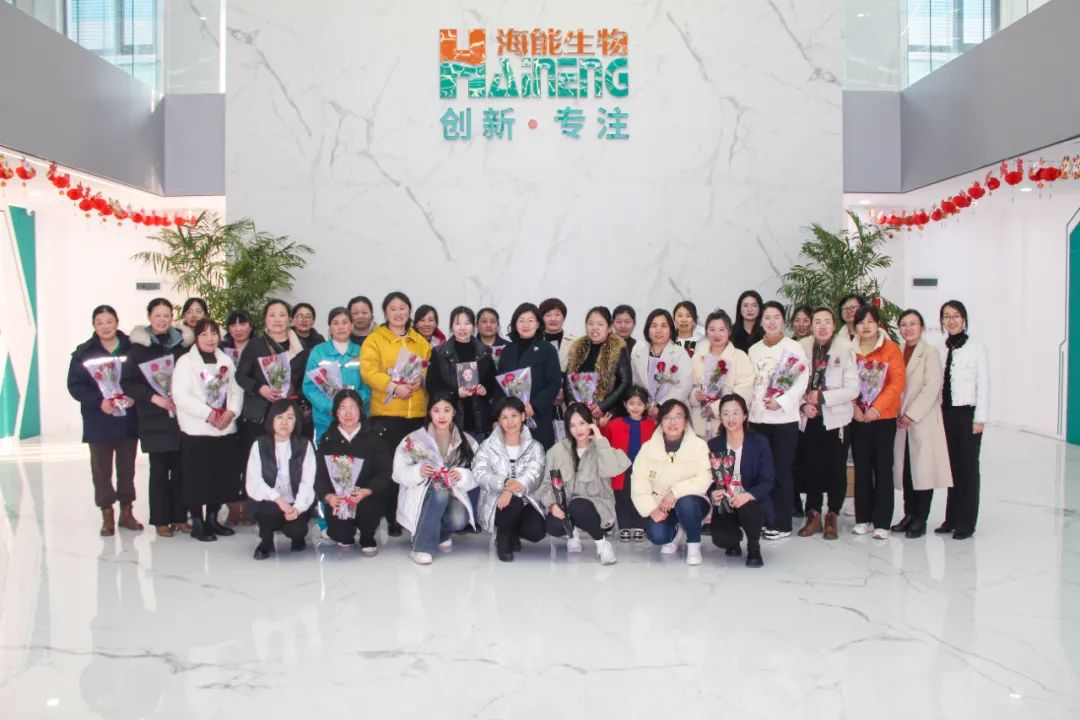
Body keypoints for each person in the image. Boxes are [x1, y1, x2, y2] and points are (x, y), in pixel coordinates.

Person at [360, 291, 433, 536]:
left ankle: (411, 516)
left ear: (409, 311)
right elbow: (369, 372)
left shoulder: (420, 342)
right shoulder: (374, 340)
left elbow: (428, 370)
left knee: (415, 469)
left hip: (416, 415)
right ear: (385, 313)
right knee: (391, 469)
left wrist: (420, 380)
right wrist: (393, 387)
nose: (398, 313)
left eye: (403, 308)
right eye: (393, 308)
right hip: (387, 414)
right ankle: (392, 518)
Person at [67, 304, 141, 536]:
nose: (105, 326)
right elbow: (75, 385)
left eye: (109, 321)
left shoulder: (132, 348)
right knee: (101, 470)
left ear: (117, 322)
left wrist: (133, 396)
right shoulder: (84, 352)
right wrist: (99, 401)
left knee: (127, 469)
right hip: (99, 420)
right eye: (100, 322)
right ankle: (107, 515)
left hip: (127, 418)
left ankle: (127, 513)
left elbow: (143, 378)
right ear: (94, 326)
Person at [124, 297, 195, 537]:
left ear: (172, 317)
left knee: (182, 469)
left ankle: (180, 517)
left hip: (182, 417)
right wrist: (154, 398)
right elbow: (129, 383)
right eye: (157, 316)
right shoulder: (139, 348)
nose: (162, 320)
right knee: (159, 471)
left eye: (166, 315)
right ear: (149, 317)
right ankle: (161, 519)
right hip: (154, 417)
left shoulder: (183, 345)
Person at [172, 319, 244, 542]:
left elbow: (236, 390)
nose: (210, 338)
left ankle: (213, 518)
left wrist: (231, 412)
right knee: (197, 478)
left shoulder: (226, 360)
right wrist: (208, 413)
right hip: (197, 429)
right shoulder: (186, 362)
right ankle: (198, 522)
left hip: (223, 428)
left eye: (213, 334)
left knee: (219, 476)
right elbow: (180, 395)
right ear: (196, 337)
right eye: (204, 334)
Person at [392, 392, 480, 565]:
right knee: (440, 492)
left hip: (452, 493)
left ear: (454, 412)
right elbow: (398, 472)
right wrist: (418, 471)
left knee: (459, 518)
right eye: (436, 410)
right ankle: (421, 547)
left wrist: (462, 475)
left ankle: (439, 534)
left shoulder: (466, 440)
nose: (442, 416)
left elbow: (479, 472)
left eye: (447, 410)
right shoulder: (414, 439)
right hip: (421, 494)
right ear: (429, 413)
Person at [747, 301, 809, 540]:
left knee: (782, 472)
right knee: (762, 473)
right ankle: (764, 518)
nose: (771, 322)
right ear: (761, 322)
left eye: (776, 317)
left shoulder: (794, 347)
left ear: (784, 321)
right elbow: (750, 383)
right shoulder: (754, 350)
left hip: (784, 420)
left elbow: (801, 380)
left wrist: (781, 402)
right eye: (767, 318)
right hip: (758, 419)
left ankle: (782, 523)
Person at [537, 403, 629, 565]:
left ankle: (602, 544)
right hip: (567, 508)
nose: (578, 429)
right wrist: (551, 505)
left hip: (599, 508)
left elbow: (613, 470)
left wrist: (600, 439)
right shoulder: (557, 451)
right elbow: (545, 485)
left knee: (578, 505)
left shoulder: (601, 447)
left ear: (590, 424)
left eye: (582, 423)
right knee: (553, 524)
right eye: (572, 425)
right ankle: (573, 534)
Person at [795, 307, 858, 540]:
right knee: (811, 467)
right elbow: (791, 383)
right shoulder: (801, 347)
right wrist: (803, 404)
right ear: (811, 325)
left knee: (835, 470)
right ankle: (813, 515)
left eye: (827, 322)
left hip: (836, 420)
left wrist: (823, 397)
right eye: (817, 322)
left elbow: (853, 389)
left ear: (834, 325)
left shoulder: (846, 348)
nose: (822, 326)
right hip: (810, 418)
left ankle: (832, 514)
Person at [891, 310, 952, 539]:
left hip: (922, 420)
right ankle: (908, 514)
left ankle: (920, 518)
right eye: (904, 324)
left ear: (922, 327)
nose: (908, 329)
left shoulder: (929, 352)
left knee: (923, 471)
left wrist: (910, 415)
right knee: (907, 470)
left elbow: (931, 387)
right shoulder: (897, 351)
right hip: (901, 421)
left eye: (913, 324)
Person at [631, 399, 712, 565]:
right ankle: (676, 531)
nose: (672, 422)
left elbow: (705, 478)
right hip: (662, 505)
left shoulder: (699, 445)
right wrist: (651, 509)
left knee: (686, 503)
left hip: (693, 502)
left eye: (678, 417)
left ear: (686, 421)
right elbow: (638, 482)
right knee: (658, 535)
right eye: (667, 417)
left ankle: (694, 544)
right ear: (660, 422)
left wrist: (675, 492)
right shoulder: (648, 448)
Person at [849, 305, 906, 539]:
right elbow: (842, 380)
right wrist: (853, 406)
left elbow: (896, 383)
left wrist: (877, 407)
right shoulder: (849, 350)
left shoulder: (891, 349)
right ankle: (863, 518)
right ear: (855, 326)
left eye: (870, 321)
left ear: (878, 324)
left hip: (883, 418)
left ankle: (882, 522)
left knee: (883, 468)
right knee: (861, 467)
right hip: (857, 417)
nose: (866, 326)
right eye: (861, 322)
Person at [314, 389, 392, 555]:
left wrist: (367, 491)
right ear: (336, 412)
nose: (348, 413)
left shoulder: (374, 438)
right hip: (339, 500)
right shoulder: (327, 440)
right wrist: (329, 497)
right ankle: (346, 535)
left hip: (366, 497)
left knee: (369, 509)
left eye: (353, 408)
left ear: (360, 410)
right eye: (343, 408)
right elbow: (319, 476)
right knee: (340, 534)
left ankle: (367, 538)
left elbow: (384, 472)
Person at [936, 300, 989, 540]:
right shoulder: (940, 347)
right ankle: (951, 519)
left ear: (964, 319)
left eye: (956, 316)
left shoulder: (977, 347)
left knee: (967, 469)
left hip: (967, 415)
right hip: (945, 414)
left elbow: (984, 385)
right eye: (947, 316)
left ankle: (966, 523)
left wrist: (980, 419)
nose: (951, 320)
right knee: (951, 468)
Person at [473, 397, 547, 561]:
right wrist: (504, 483)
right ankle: (503, 537)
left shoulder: (535, 447)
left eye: (514, 416)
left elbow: (534, 474)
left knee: (536, 532)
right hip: (496, 501)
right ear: (499, 421)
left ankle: (512, 531)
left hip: (525, 499)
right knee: (512, 504)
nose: (510, 422)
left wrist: (512, 489)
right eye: (504, 417)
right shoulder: (487, 446)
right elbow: (480, 473)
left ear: (523, 416)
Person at [707, 394, 774, 567]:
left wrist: (747, 495)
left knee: (750, 508)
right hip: (726, 502)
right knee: (721, 539)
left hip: (752, 500)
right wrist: (713, 492)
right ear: (720, 417)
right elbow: (709, 480)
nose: (731, 418)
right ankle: (733, 541)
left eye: (736, 413)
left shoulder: (759, 442)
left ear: (745, 415)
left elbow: (767, 480)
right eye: (725, 413)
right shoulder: (714, 444)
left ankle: (753, 546)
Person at [245, 399, 316, 559]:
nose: (284, 422)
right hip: (271, 501)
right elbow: (254, 481)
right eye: (279, 417)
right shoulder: (259, 445)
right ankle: (266, 541)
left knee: (296, 530)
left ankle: (298, 538)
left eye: (290, 417)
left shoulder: (305, 445)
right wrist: (278, 499)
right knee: (267, 512)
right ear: (272, 420)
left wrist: (297, 507)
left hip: (295, 502)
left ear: (296, 421)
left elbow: (307, 482)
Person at [495, 303, 563, 450]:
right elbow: (500, 384)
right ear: (515, 324)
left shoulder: (547, 349)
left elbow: (554, 382)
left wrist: (535, 406)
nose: (526, 325)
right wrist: (499, 414)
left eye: (530, 320)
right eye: (521, 320)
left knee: (539, 455)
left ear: (538, 324)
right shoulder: (507, 350)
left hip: (538, 416)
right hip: (511, 417)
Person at [426, 306, 498, 442]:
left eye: (467, 323)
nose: (463, 328)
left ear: (474, 326)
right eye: (458, 323)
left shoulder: (484, 352)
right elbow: (432, 385)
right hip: (450, 422)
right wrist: (455, 393)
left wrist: (485, 389)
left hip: (479, 421)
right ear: (451, 327)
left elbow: (492, 382)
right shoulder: (439, 353)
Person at [303, 306, 370, 443]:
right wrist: (331, 407)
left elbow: (368, 385)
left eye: (345, 322)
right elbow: (309, 387)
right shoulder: (318, 352)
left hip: (355, 418)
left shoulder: (362, 352)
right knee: (328, 453)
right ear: (330, 328)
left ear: (352, 326)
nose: (340, 327)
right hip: (326, 418)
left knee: (355, 452)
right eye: (335, 323)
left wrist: (355, 405)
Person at [688, 309, 755, 440]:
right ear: (706, 332)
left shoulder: (740, 357)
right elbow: (688, 389)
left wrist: (715, 409)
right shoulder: (697, 358)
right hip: (699, 427)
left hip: (729, 426)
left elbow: (744, 391)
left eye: (722, 330)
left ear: (729, 331)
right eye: (712, 329)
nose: (716, 334)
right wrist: (695, 395)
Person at [600, 385, 655, 541]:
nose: (635, 407)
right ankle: (624, 526)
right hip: (621, 468)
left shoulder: (651, 424)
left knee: (640, 494)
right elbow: (605, 442)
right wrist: (602, 427)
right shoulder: (616, 423)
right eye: (631, 403)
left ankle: (639, 525)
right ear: (625, 404)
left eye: (639, 404)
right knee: (622, 497)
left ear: (646, 405)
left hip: (642, 468)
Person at [565, 306, 631, 421]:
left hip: (607, 414)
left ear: (609, 328)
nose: (594, 328)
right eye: (590, 324)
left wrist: (603, 406)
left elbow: (625, 382)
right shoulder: (578, 348)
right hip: (580, 413)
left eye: (600, 324)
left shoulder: (618, 348)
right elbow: (568, 378)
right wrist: (570, 401)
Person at [629, 308, 693, 420]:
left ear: (671, 330)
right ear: (647, 330)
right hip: (645, 412)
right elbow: (636, 383)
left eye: (663, 326)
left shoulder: (680, 353)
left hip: (673, 411)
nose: (658, 330)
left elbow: (683, 386)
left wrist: (660, 406)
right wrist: (645, 405)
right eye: (654, 326)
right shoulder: (638, 353)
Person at [832, 294, 867, 360]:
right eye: (845, 308)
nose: (849, 311)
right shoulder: (836, 339)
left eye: (853, 307)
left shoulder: (876, 334)